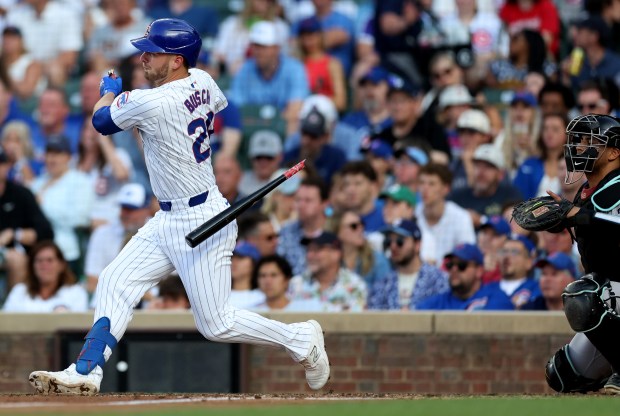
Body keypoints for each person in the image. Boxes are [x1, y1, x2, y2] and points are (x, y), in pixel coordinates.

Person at [28, 18, 330, 396]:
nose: (144, 56)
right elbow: (217, 111)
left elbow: (101, 121)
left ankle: (301, 338)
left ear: (175, 61)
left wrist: (108, 91)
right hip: (169, 216)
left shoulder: (152, 100)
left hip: (203, 217)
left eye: (153, 51)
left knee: (216, 324)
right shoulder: (203, 80)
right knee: (114, 281)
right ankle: (86, 370)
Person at [544, 114, 620, 394]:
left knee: (583, 295)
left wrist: (581, 217)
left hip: (612, 290)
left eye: (591, 142)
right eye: (579, 141)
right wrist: (562, 219)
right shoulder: (587, 192)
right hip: (614, 294)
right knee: (564, 373)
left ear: (614, 152)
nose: (579, 147)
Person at [0, 147, 54, 297]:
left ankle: (11, 313)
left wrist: (14, 234)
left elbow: (45, 232)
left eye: (1, 163)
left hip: (11, 252)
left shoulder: (20, 194)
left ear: (7, 166)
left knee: (16, 259)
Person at [367, 219, 448, 310]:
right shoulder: (383, 284)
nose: (393, 247)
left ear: (417, 245)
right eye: (389, 241)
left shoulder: (438, 280)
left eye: (400, 241)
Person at [417, 243, 514, 310]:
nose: (454, 270)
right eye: (450, 265)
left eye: (461, 265)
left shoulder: (493, 297)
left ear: (479, 271)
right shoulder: (438, 301)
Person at [288, 231, 367, 311]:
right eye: (308, 250)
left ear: (336, 253)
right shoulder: (295, 284)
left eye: (317, 250)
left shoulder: (354, 285)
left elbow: (357, 320)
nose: (309, 255)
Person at [2, 240, 88, 312]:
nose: (44, 265)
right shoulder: (19, 291)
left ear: (62, 265)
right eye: (39, 261)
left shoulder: (76, 292)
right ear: (32, 266)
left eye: (49, 260)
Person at [253, 254, 323, 311]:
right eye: (262, 276)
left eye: (274, 275)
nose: (267, 281)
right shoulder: (252, 314)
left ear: (286, 280)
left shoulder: (307, 309)